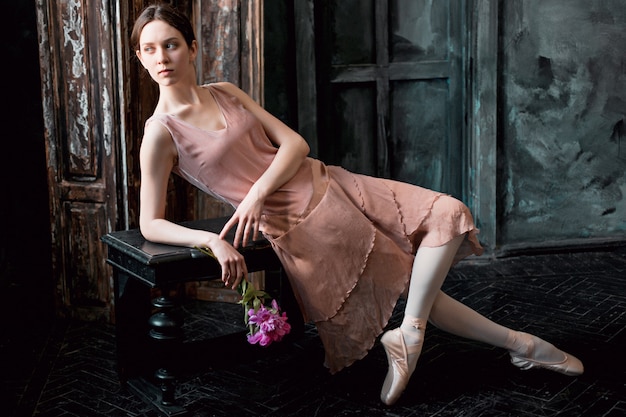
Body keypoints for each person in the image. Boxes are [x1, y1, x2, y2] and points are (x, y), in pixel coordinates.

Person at [131, 3, 584, 406]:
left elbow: (295, 145)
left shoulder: (225, 91)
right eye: (149, 50)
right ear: (140, 58)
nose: (161, 58)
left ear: (191, 47)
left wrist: (254, 193)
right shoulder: (160, 133)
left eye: (170, 45)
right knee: (410, 285)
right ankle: (520, 346)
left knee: (448, 213)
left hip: (331, 181)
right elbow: (150, 222)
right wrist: (211, 239)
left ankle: (411, 336)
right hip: (302, 221)